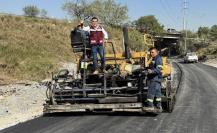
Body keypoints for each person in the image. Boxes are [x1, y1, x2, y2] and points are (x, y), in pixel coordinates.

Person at [145, 47, 163, 112]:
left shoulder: (158, 59)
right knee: (158, 94)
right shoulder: (154, 59)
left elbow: (159, 69)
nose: (151, 53)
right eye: (150, 52)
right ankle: (158, 106)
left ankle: (150, 106)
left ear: (156, 52)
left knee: (151, 93)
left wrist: (151, 71)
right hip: (157, 79)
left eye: (152, 52)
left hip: (154, 79)